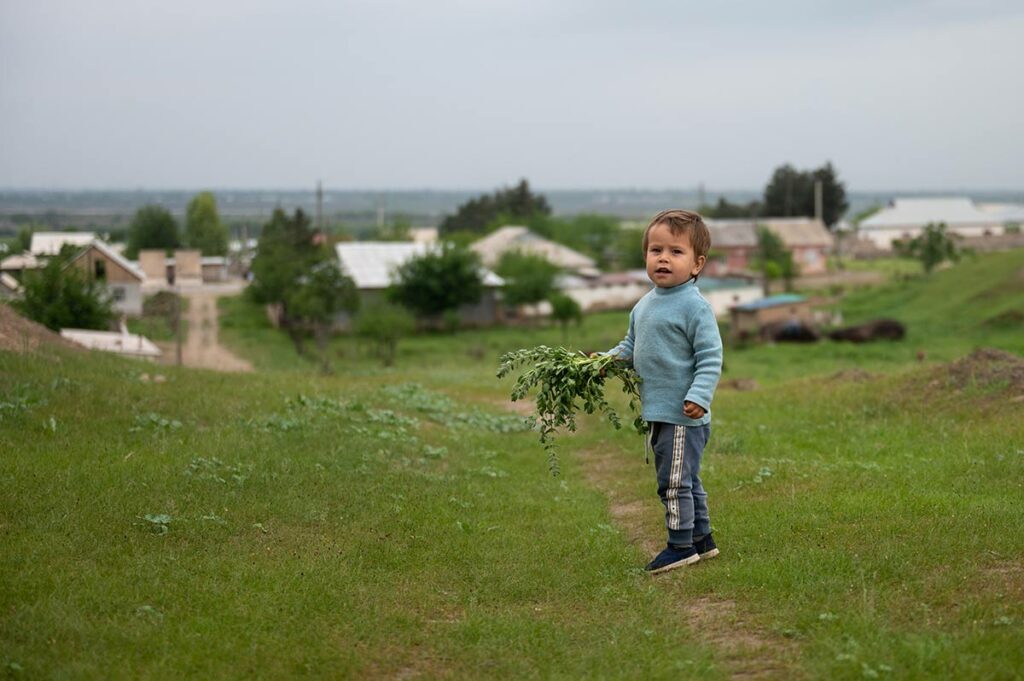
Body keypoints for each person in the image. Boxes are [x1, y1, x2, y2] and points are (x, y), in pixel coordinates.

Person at [605, 209, 723, 574]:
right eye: (656, 250)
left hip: (682, 413)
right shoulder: (644, 304)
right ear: (645, 257)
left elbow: (710, 357)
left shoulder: (695, 307)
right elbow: (630, 345)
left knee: (672, 483)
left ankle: (679, 546)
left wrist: (698, 397)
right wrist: (601, 362)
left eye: (676, 252)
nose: (663, 259)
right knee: (687, 480)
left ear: (697, 263)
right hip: (659, 409)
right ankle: (702, 541)